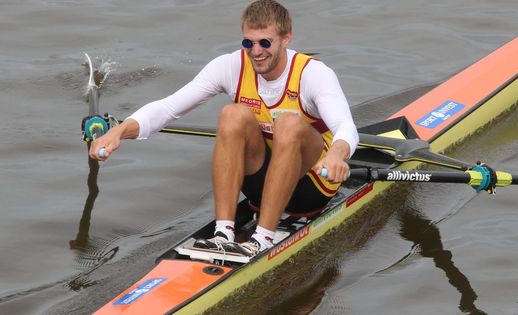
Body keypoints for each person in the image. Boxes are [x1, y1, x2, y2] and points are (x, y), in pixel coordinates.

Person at [90, 0, 359, 258]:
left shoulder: (313, 74)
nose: (256, 52)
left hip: (311, 186)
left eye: (265, 43)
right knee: (232, 114)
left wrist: (337, 154)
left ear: (286, 38)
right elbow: (167, 108)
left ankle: (264, 239)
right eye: (248, 43)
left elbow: (345, 126)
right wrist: (118, 131)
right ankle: (223, 234)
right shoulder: (231, 67)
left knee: (288, 122)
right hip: (260, 187)